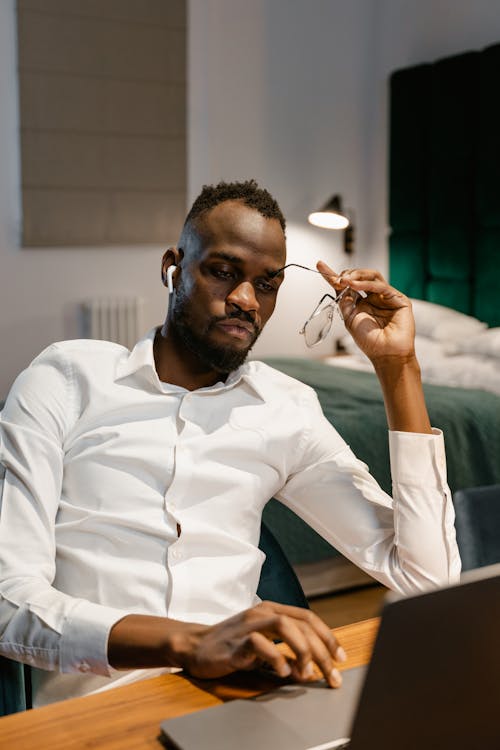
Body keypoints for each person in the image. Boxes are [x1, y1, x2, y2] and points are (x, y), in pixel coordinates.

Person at [0, 180, 460, 707]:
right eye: (222, 272)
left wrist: (398, 367)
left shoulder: (285, 408)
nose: (246, 300)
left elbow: (428, 580)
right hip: (95, 710)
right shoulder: (67, 378)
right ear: (173, 267)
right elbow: (9, 601)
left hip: (238, 703)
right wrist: (192, 642)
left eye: (267, 284)